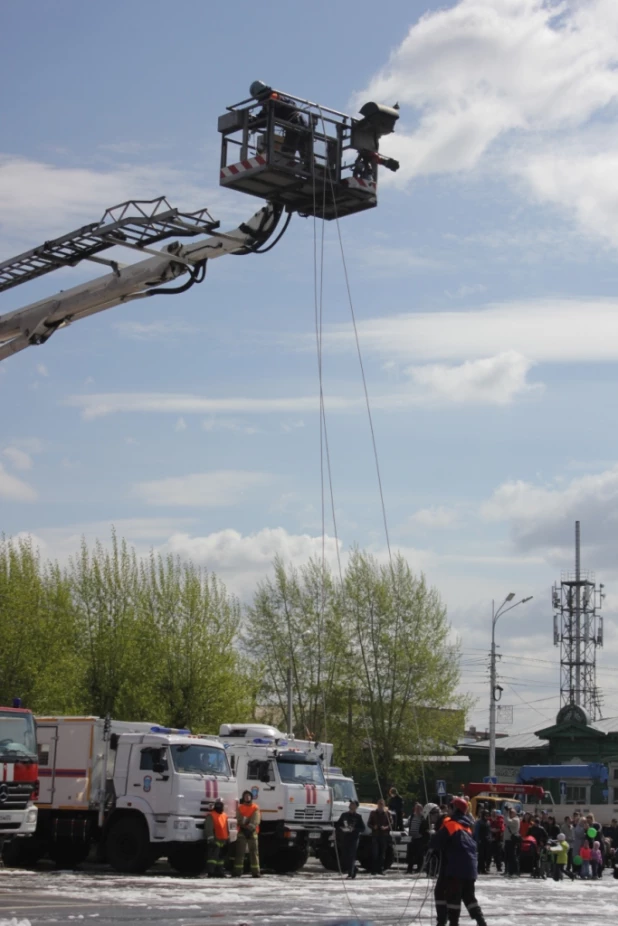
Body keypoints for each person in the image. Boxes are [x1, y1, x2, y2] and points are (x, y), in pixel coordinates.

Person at [430, 797, 487, 926]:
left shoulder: (451, 824)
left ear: (455, 809)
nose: (448, 809)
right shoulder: (467, 827)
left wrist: (429, 842)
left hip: (456, 867)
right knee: (469, 897)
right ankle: (481, 922)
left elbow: (436, 841)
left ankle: (452, 923)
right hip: (470, 868)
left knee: (453, 898)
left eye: (450, 806)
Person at [335, 800, 365, 879]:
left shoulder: (358, 817)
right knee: (345, 856)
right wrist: (342, 828)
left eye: (353, 804)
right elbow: (337, 825)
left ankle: (350, 873)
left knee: (352, 855)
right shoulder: (344, 815)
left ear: (356, 807)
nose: (351, 805)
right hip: (345, 838)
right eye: (351, 804)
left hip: (354, 839)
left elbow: (362, 828)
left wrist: (354, 829)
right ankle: (354, 869)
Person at [234, 789, 261, 878]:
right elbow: (239, 819)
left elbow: (256, 819)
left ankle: (256, 872)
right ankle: (237, 872)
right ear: (243, 798)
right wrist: (245, 826)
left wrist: (249, 828)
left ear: (251, 797)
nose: (247, 797)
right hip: (242, 832)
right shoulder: (240, 807)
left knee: (254, 853)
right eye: (245, 796)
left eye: (248, 796)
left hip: (252, 833)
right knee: (239, 853)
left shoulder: (255, 807)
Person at [204, 798, 229, 878]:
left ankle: (220, 872)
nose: (219, 806)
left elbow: (226, 828)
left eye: (220, 804)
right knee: (213, 858)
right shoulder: (211, 815)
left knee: (221, 859)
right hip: (215, 840)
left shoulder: (225, 815)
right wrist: (211, 839)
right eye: (217, 804)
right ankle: (211, 872)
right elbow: (208, 828)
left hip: (223, 841)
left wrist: (227, 838)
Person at [368, 798, 391, 875]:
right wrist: (373, 827)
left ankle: (380, 869)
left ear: (384, 805)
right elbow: (369, 823)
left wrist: (385, 827)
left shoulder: (387, 814)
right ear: (377, 804)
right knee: (375, 853)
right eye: (379, 804)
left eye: (382, 804)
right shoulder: (373, 813)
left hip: (384, 836)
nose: (381, 805)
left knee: (382, 854)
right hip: (375, 835)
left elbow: (391, 824)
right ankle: (373, 870)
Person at [407, 802, 425, 873]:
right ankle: (409, 869)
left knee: (419, 854)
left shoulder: (423, 817)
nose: (417, 809)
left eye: (418, 808)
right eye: (416, 808)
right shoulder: (411, 816)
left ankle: (419, 869)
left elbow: (425, 827)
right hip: (411, 838)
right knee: (410, 854)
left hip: (419, 838)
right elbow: (408, 824)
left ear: (421, 809)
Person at [503, 808, 520, 877]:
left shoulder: (516, 819)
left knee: (512, 856)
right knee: (508, 857)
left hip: (512, 841)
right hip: (507, 840)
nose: (510, 813)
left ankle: (515, 872)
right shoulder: (510, 819)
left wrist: (506, 813)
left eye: (511, 812)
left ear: (515, 813)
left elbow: (507, 821)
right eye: (509, 812)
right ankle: (509, 871)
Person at [474, 810, 492, 875]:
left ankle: (483, 868)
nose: (487, 816)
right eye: (486, 815)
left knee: (486, 855)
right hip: (481, 841)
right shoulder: (479, 822)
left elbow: (489, 831)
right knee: (481, 856)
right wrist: (477, 840)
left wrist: (490, 838)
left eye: (488, 815)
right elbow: (476, 832)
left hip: (487, 841)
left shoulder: (488, 822)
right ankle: (479, 869)